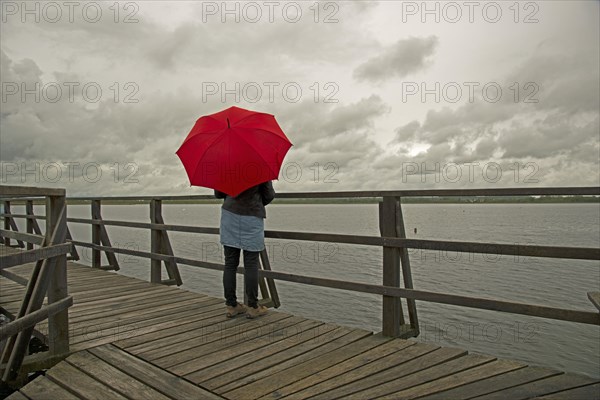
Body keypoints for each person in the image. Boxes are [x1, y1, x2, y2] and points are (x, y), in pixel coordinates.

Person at [214, 181, 275, 319]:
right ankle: (253, 307)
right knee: (251, 264)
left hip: (229, 215)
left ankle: (231, 306)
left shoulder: (226, 164)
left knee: (230, 263)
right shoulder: (260, 165)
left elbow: (218, 194)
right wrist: (256, 201)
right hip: (252, 216)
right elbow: (269, 195)